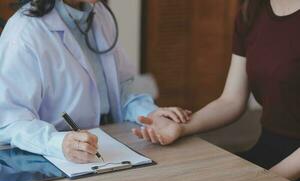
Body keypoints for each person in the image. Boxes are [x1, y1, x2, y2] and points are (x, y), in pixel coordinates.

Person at [0, 0, 191, 164]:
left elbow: (122, 87)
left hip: (111, 144)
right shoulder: (23, 34)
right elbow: (11, 122)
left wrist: (149, 114)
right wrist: (58, 143)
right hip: (54, 162)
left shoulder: (99, 15)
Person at [133, 0, 300, 181]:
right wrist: (181, 128)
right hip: (268, 148)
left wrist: (268, 179)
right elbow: (231, 100)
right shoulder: (251, 11)